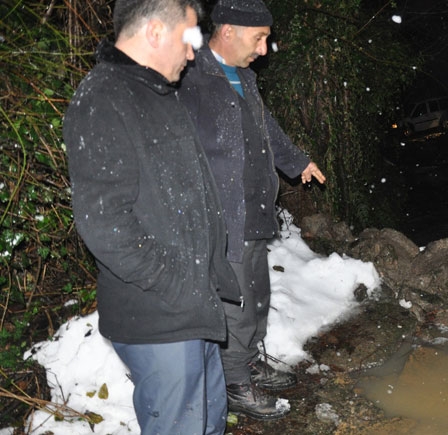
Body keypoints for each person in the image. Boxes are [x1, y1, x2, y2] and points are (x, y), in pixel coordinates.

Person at [62, 0, 241, 433]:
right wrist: (178, 284)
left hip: (190, 309)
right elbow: (105, 224)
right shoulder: (103, 99)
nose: (193, 53)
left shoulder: (157, 92)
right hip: (160, 318)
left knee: (209, 422)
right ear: (156, 32)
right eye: (189, 38)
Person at [179, 0, 326, 421]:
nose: (264, 50)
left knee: (257, 296)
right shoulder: (190, 76)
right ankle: (234, 383)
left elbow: (267, 129)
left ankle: (246, 363)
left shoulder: (243, 77)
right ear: (227, 31)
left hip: (256, 210)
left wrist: (297, 161)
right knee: (237, 305)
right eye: (258, 38)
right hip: (225, 217)